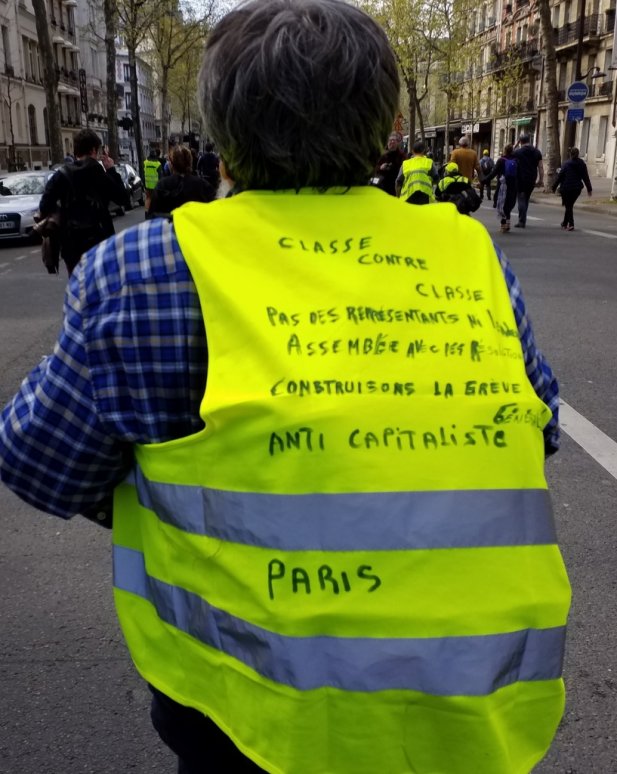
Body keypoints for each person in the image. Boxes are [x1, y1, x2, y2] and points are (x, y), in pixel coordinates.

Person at [0, 2, 570, 773]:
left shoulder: (144, 270)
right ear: (389, 124)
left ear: (220, 131)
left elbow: (40, 463)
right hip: (469, 693)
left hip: (245, 699)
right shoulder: (466, 255)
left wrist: (174, 487)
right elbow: (536, 430)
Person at [38, 128, 128, 276]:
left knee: (78, 286)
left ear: (76, 150)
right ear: (93, 150)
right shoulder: (97, 172)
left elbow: (45, 206)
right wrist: (111, 170)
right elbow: (122, 198)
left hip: (71, 242)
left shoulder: (61, 174)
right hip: (100, 238)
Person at [147, 145, 216, 219]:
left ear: (171, 164)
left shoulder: (162, 186)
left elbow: (152, 216)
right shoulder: (203, 185)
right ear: (190, 162)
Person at [552, 146, 592, 231]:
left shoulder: (566, 164)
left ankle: (571, 224)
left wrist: (554, 187)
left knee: (568, 205)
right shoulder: (582, 164)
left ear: (570, 154)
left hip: (566, 188)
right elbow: (586, 177)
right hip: (577, 188)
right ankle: (565, 223)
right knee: (569, 205)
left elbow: (560, 176)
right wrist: (589, 189)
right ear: (578, 154)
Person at [484, 143, 519, 232]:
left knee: (501, 205)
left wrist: (484, 181)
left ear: (504, 150)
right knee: (509, 205)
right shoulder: (516, 160)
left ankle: (503, 225)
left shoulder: (501, 160)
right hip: (513, 185)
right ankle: (508, 223)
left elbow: (493, 173)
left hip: (502, 185)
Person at [513, 133, 544, 228]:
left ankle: (522, 220)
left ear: (520, 141)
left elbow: (509, 153)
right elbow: (540, 167)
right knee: (526, 198)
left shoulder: (518, 152)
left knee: (521, 198)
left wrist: (516, 144)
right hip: (532, 178)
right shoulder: (537, 152)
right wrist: (541, 180)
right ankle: (523, 219)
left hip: (521, 178)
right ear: (529, 140)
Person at [395, 139, 437, 203]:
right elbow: (436, 178)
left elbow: (398, 182)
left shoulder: (405, 164)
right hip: (425, 196)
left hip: (408, 197)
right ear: (424, 151)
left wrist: (398, 197)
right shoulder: (429, 162)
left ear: (412, 151)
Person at [371, 131, 406, 196]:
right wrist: (380, 167)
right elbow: (372, 168)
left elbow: (405, 169)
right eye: (390, 140)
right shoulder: (381, 154)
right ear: (387, 142)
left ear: (397, 143)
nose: (392, 142)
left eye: (394, 140)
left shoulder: (402, 156)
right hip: (381, 186)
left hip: (395, 186)